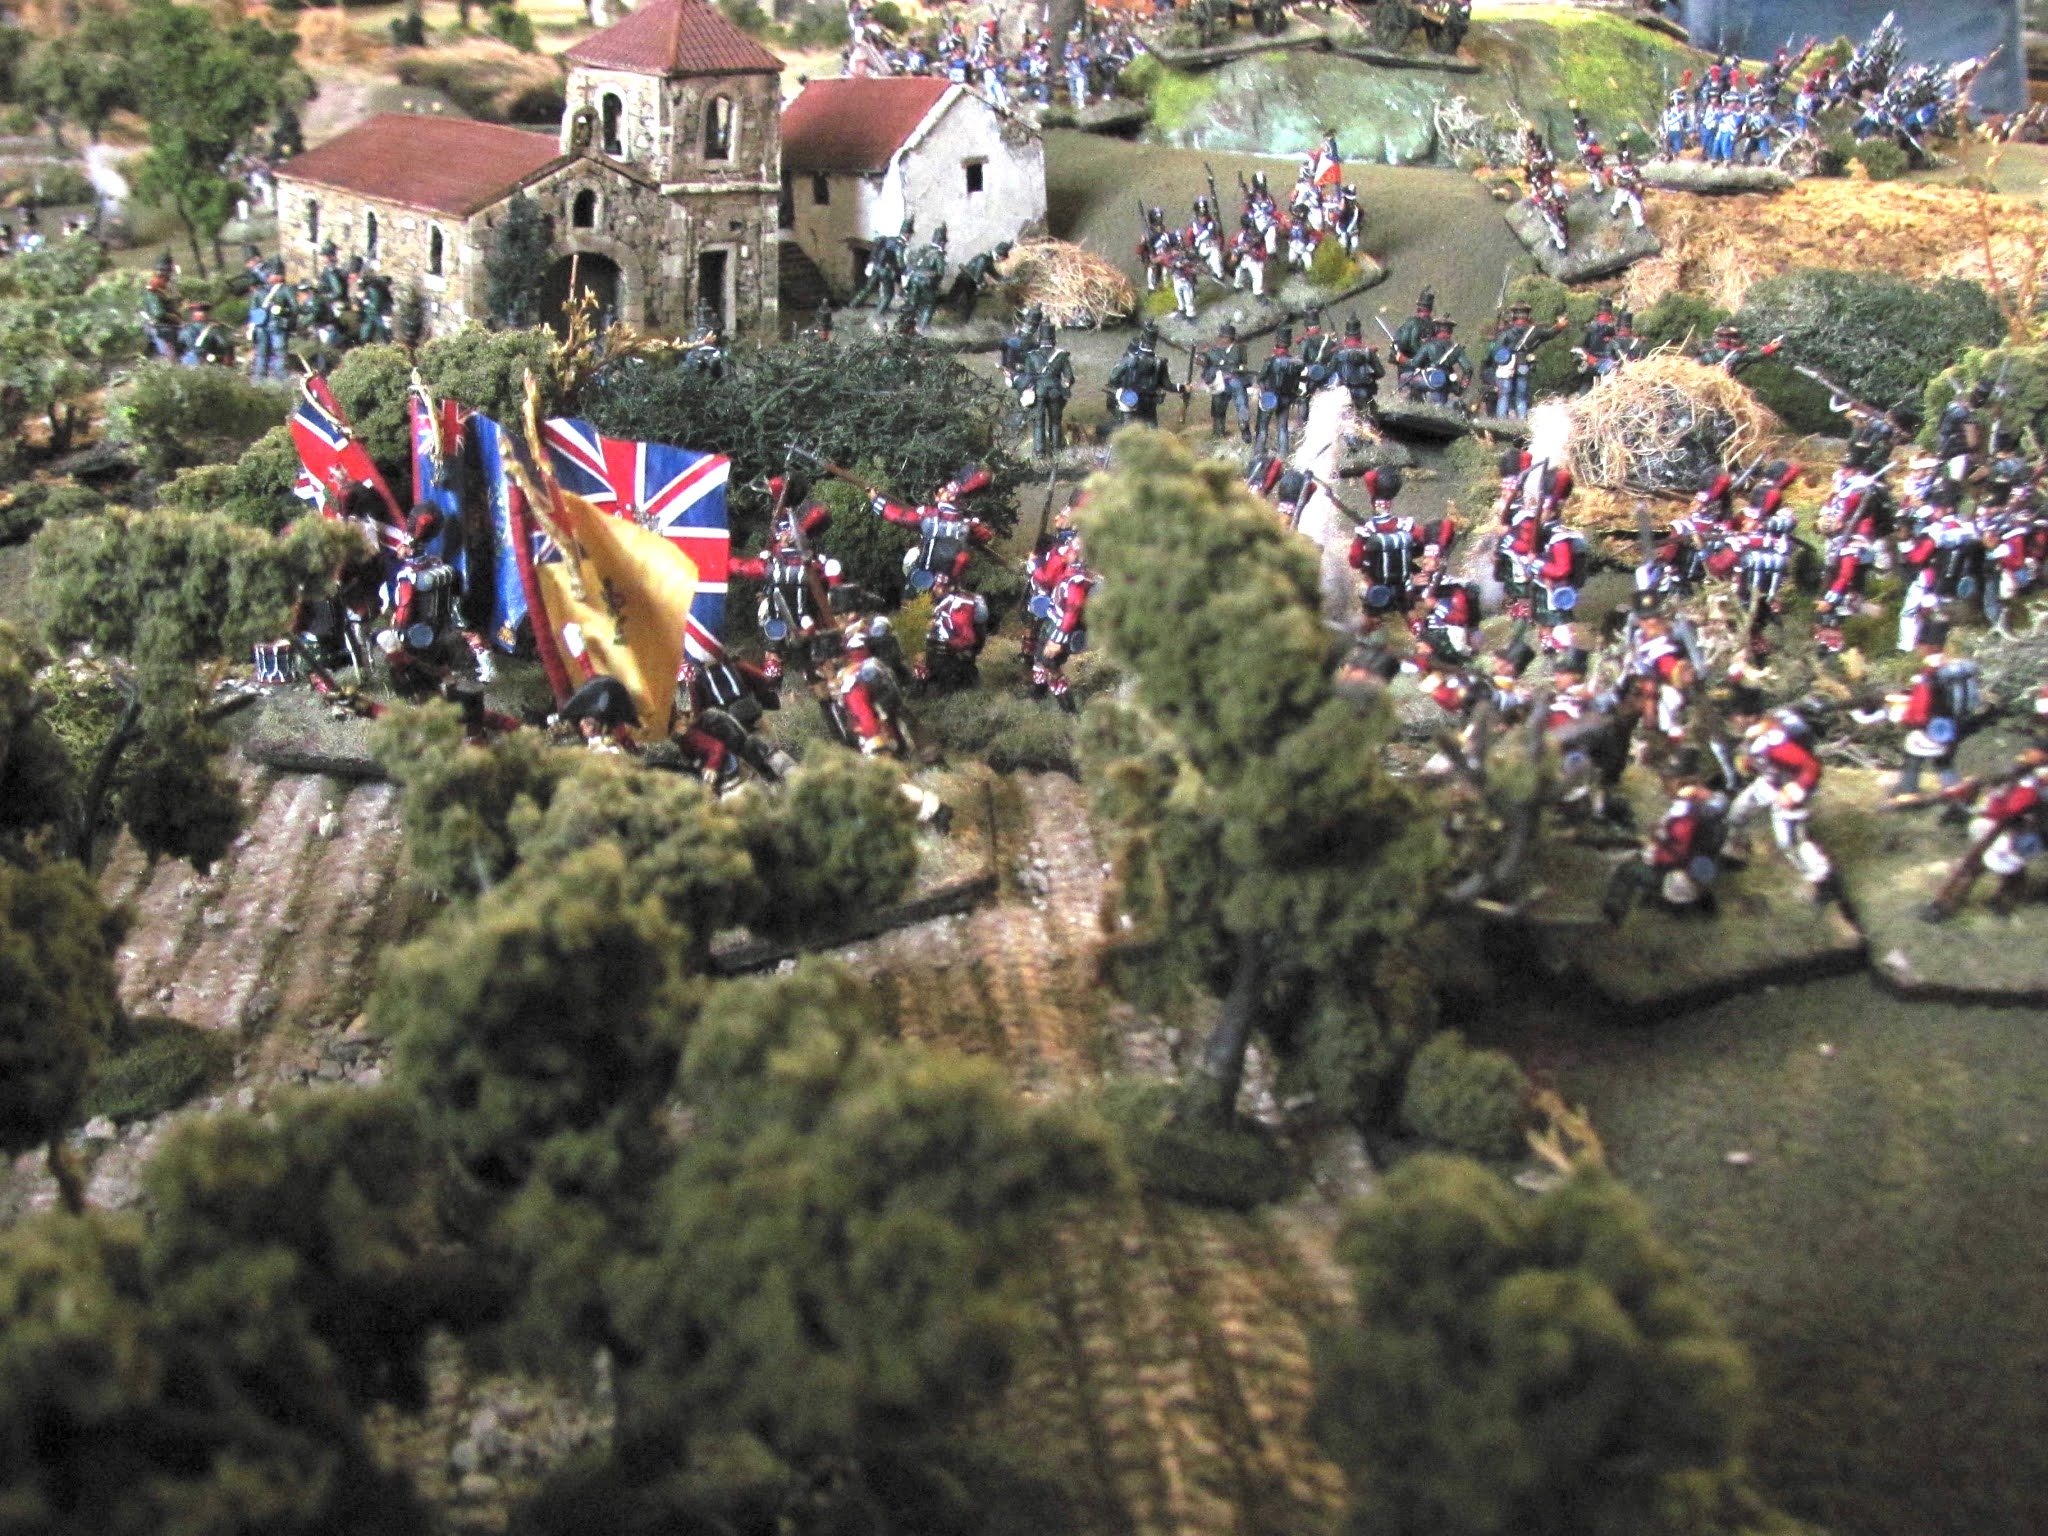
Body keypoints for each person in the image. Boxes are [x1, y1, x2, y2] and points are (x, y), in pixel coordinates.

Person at [1921, 745, 2048, 921]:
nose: (2027, 753)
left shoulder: (2036, 782)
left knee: (1983, 866)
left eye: (2035, 753)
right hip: (2000, 824)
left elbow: (2017, 806)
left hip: (2018, 830)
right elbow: (1996, 786)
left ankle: (1946, 907)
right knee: (1983, 866)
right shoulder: (2020, 772)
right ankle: (1951, 905)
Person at [1727, 697, 1836, 896]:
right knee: (1738, 812)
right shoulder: (1755, 736)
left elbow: (1811, 766)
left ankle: (1822, 879)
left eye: (1736, 717)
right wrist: (1748, 764)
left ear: (1750, 717)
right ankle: (1738, 848)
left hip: (1789, 789)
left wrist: (1795, 789)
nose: (1733, 721)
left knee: (1790, 841)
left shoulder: (1775, 741)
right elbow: (1757, 763)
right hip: (1769, 783)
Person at [870, 469, 997, 590]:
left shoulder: (928, 514)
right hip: (947, 581)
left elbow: (900, 516)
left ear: (950, 497)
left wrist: (877, 501)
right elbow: (986, 535)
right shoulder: (967, 524)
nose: (937, 494)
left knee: (915, 556)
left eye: (941, 492)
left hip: (924, 573)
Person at [1030, 537, 1094, 714]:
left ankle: (1069, 709)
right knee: (1039, 659)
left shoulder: (1078, 581)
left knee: (1050, 665)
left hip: (1061, 630)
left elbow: (1071, 614)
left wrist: (1057, 640)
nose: (1067, 552)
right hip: (1052, 622)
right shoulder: (1069, 573)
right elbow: (1048, 581)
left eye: (1072, 551)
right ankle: (1037, 696)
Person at [913, 570, 989, 691]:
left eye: (939, 586)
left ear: (949, 588)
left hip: (958, 649)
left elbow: (966, 636)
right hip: (949, 648)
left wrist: (950, 643)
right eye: (936, 585)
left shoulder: (960, 604)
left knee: (951, 679)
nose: (935, 589)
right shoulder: (942, 601)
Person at [1488, 300, 1564, 420]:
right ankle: (1522, 419)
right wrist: (1559, 326)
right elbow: (1549, 334)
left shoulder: (1505, 332)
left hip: (1506, 366)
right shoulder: (1534, 331)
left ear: (1513, 315)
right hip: (1523, 364)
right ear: (1527, 315)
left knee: (1504, 396)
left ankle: (1501, 420)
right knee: (1521, 396)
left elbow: (1496, 351)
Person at [1106, 325, 1182, 430]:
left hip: (1130, 401)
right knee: (1152, 431)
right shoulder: (1160, 363)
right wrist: (1182, 388)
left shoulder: (1129, 360)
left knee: (1128, 430)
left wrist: (1122, 386)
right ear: (1154, 343)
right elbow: (1168, 386)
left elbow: (1113, 378)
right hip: (1149, 404)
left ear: (1142, 340)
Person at [1018, 321, 1074, 457]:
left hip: (1038, 391)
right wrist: (1065, 385)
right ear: (1054, 339)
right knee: (1055, 422)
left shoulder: (1032, 355)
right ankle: (1056, 449)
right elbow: (1069, 377)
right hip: (1055, 391)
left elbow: (1028, 377)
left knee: (1038, 422)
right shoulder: (1061, 356)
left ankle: (1039, 451)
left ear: (1039, 339)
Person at [1253, 326, 1303, 456]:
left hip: (1270, 397)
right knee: (1282, 428)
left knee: (1263, 427)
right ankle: (1283, 453)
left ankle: (1258, 452)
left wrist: (1264, 392)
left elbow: (1260, 378)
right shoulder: (1295, 363)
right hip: (1286, 398)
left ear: (1277, 341)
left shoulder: (1271, 361)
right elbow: (1297, 380)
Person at [1403, 316, 1470, 408]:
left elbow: (1414, 363)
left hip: (1429, 380)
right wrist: (1462, 387)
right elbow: (1468, 369)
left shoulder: (1429, 345)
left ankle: (1408, 403)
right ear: (1450, 332)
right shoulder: (1457, 349)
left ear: (1436, 329)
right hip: (1446, 381)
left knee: (1404, 377)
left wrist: (1403, 359)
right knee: (1439, 405)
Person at [851, 216, 913, 312]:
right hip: (886, 271)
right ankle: (879, 313)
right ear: (907, 234)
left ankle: (854, 304)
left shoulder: (890, 239)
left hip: (877, 266)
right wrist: (904, 271)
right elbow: (900, 261)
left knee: (868, 288)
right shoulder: (900, 245)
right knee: (888, 294)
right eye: (910, 235)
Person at [1201, 320, 1250, 441]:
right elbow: (1209, 363)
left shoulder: (1238, 349)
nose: (1220, 339)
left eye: (1222, 337)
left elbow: (1233, 362)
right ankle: (1218, 432)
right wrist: (1205, 357)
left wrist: (1212, 354)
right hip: (1220, 382)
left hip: (1235, 381)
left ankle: (1244, 429)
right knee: (1218, 407)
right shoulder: (1216, 350)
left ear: (1228, 338)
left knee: (1242, 405)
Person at [1332, 315, 1384, 426]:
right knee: (1371, 419)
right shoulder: (1368, 352)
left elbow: (1330, 372)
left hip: (1344, 393)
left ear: (1345, 336)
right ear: (1360, 336)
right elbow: (1380, 372)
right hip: (1365, 392)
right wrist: (1370, 376)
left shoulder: (1338, 352)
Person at [946, 240, 1011, 323]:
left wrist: (1007, 280)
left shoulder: (988, 259)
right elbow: (977, 277)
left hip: (971, 283)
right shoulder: (984, 259)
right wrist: (981, 283)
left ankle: (962, 322)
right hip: (964, 281)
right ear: (1000, 255)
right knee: (952, 301)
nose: (1002, 261)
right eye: (1003, 258)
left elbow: (994, 274)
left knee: (970, 303)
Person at [248, 268, 296, 381]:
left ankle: (265, 381)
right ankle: (274, 381)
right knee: (272, 355)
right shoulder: (284, 290)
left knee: (268, 355)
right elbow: (294, 308)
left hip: (270, 326)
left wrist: (282, 310)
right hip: (272, 327)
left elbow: (253, 311)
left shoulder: (261, 291)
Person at [177, 301, 234, 368]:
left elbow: (180, 344)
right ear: (207, 315)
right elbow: (224, 344)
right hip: (208, 362)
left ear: (193, 316)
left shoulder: (186, 328)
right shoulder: (213, 329)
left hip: (188, 362)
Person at [141, 271, 180, 362]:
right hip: (162, 327)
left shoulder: (157, 291)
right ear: (160, 278)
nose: (166, 284)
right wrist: (175, 317)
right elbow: (159, 313)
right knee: (171, 352)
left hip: (164, 326)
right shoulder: (152, 293)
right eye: (165, 281)